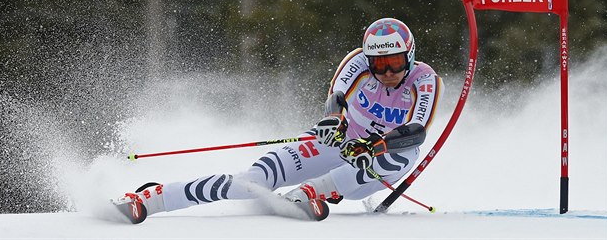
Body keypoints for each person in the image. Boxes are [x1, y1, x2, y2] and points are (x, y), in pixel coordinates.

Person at [117, 18, 444, 218]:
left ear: (410, 56)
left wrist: (374, 145)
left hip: (376, 160)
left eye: (396, 62)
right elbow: (337, 96)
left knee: (403, 152)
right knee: (253, 181)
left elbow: (416, 132)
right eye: (379, 64)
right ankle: (156, 198)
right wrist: (333, 121)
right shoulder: (358, 62)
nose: (386, 72)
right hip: (340, 143)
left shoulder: (424, 79)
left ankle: (315, 190)